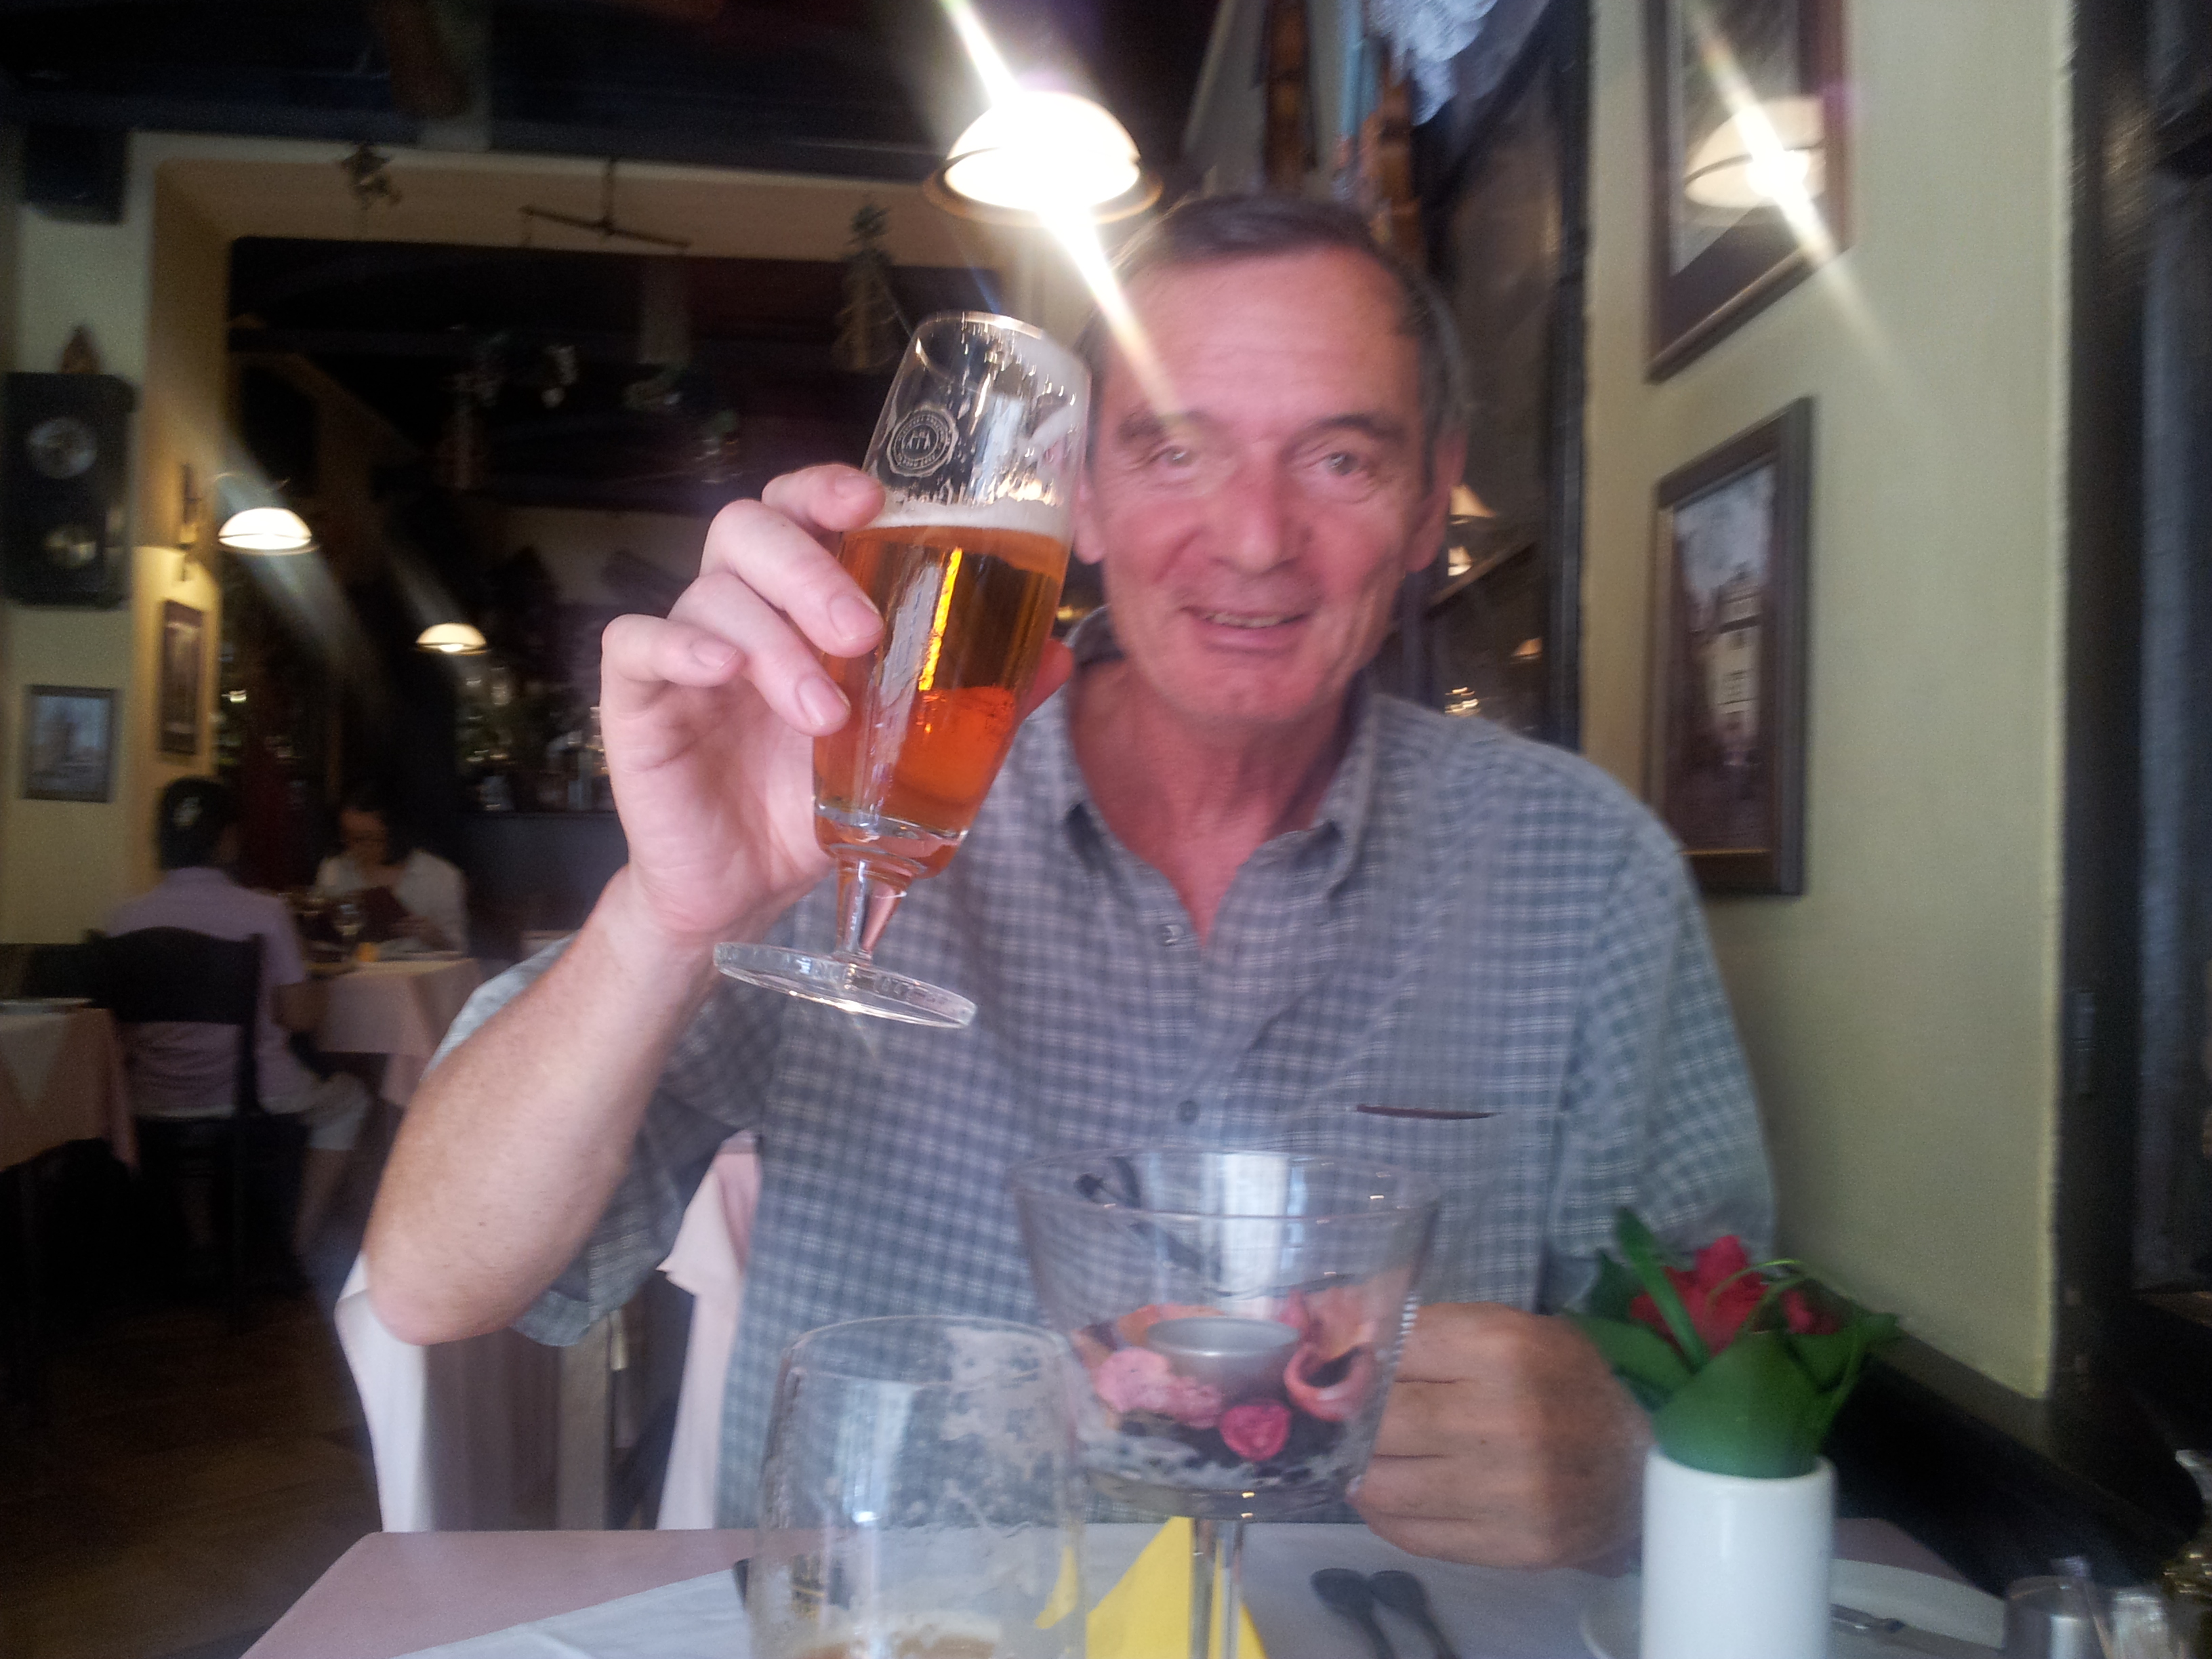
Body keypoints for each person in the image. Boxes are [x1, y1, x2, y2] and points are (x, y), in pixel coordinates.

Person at [367, 194, 1771, 1568]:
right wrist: (670, 917)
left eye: (1340, 459)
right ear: (1079, 493)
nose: (1254, 536)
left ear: (1424, 501)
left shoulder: (1584, 869)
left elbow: (1727, 1348)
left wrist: (1635, 1457)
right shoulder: (845, 812)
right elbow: (436, 1279)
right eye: (1175, 449)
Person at [108, 777, 371, 1257]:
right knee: (350, 1101)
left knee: (189, 1134)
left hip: (149, 1097)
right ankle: (297, 1246)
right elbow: (298, 1018)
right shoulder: (264, 912)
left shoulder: (123, 920)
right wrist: (324, 986)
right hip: (251, 1095)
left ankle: (202, 1241)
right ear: (228, 839)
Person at [314, 784, 468, 954]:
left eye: (366, 839)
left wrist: (434, 936)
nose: (354, 847)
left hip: (419, 966)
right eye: (347, 837)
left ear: (393, 834)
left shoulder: (440, 875)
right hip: (355, 966)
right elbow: (320, 940)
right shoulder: (334, 869)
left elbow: (459, 949)